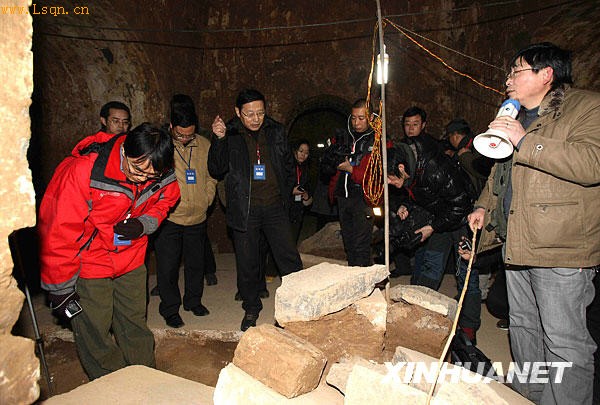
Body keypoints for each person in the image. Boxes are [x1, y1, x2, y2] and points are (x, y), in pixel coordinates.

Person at [468, 42, 600, 404]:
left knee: (563, 340)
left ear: (546, 74)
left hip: (561, 247)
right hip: (518, 240)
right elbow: (502, 172)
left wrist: (525, 140)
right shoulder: (517, 117)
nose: (508, 79)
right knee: (524, 327)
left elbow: (592, 163)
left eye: (516, 71)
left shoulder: (587, 107)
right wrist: (484, 206)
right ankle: (531, 393)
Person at [38, 122, 180, 379]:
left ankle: (145, 377)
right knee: (94, 327)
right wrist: (60, 286)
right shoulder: (85, 171)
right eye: (137, 169)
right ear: (125, 150)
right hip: (90, 260)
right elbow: (58, 230)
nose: (142, 178)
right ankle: (111, 381)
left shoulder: (159, 169)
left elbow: (168, 197)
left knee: (134, 320)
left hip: (131, 256)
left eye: (151, 176)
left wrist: (145, 223)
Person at [208, 89, 303, 331]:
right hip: (245, 208)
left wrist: (287, 191)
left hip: (274, 206)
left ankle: (298, 305)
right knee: (247, 262)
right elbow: (216, 169)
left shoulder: (276, 130)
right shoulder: (229, 133)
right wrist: (218, 139)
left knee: (289, 257)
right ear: (238, 112)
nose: (255, 119)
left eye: (260, 113)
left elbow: (288, 164)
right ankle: (251, 307)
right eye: (249, 114)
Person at [386, 144, 477, 338]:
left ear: (401, 168)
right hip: (441, 218)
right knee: (431, 266)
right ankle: (420, 315)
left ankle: (468, 328)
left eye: (391, 177)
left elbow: (460, 205)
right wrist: (406, 205)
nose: (389, 181)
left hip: (464, 219)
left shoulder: (435, 168)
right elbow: (421, 196)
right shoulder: (411, 170)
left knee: (466, 274)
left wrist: (432, 227)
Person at [153, 94, 217, 328]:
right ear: (171, 126)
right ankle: (170, 308)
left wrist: (207, 197)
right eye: (181, 135)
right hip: (170, 218)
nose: (186, 139)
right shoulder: (162, 145)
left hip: (198, 216)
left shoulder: (204, 145)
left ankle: (193, 301)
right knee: (168, 267)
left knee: (195, 264)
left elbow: (211, 175)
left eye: (190, 134)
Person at [321, 98, 376, 267]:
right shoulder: (344, 137)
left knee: (361, 245)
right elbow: (328, 167)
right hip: (343, 197)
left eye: (361, 118)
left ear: (371, 118)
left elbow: (376, 175)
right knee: (349, 243)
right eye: (353, 118)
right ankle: (353, 275)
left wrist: (351, 169)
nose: (356, 122)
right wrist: (329, 159)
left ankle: (362, 278)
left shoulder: (377, 140)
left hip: (363, 198)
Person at [289, 138, 313, 242]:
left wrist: (307, 195)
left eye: (306, 153)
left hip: (298, 209)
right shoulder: (287, 167)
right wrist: (290, 191)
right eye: (301, 151)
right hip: (285, 209)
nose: (303, 155)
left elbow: (309, 187)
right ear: (294, 150)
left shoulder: (305, 169)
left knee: (293, 238)